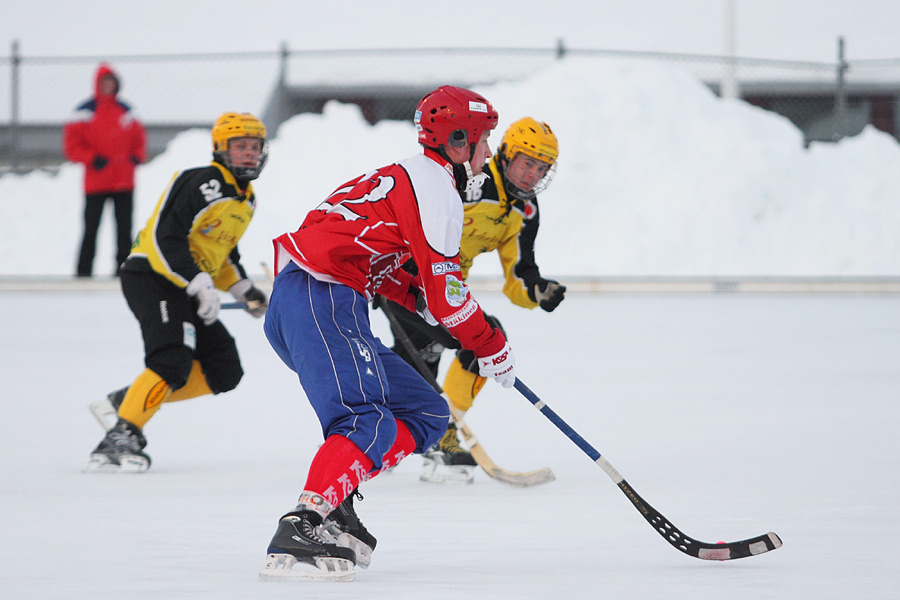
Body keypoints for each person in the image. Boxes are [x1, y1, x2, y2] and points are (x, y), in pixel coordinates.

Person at [258, 85, 516, 581]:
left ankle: (334, 499)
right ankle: (307, 520)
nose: (489, 153)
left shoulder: (404, 176)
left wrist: (415, 295)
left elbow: (379, 254)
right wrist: (490, 345)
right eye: (484, 140)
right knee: (362, 419)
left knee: (426, 410)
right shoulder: (439, 190)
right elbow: (448, 294)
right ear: (458, 141)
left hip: (310, 301)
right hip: (324, 299)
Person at [380, 117, 565, 484]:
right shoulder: (467, 180)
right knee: (455, 346)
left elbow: (518, 276)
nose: (532, 175)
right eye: (527, 162)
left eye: (541, 168)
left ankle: (408, 432)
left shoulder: (524, 211)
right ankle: (431, 433)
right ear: (506, 154)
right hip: (403, 276)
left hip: (446, 292)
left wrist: (537, 291)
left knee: (446, 352)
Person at [84, 112, 269, 473]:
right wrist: (198, 283)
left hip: (186, 285)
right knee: (171, 359)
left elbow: (222, 253)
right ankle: (121, 436)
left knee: (225, 369)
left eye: (254, 146)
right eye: (240, 146)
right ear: (220, 148)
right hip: (151, 276)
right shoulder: (203, 181)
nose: (248, 153)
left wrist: (243, 288)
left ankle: (130, 401)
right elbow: (163, 237)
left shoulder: (246, 200)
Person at [63, 63, 147, 277]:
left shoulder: (127, 111)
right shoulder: (84, 112)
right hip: (96, 183)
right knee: (91, 230)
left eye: (111, 81)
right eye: (104, 82)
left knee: (124, 231)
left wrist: (135, 157)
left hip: (123, 182)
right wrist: (92, 159)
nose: (108, 86)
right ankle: (83, 273)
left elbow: (140, 140)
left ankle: (124, 272)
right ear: (97, 84)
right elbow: (72, 147)